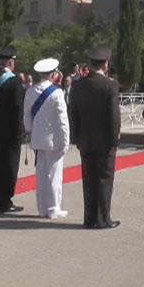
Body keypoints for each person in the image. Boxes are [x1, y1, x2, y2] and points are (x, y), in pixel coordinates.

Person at [70, 47, 121, 229]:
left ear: (90, 64)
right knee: (104, 180)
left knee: (89, 180)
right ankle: (102, 219)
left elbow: (73, 113)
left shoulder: (78, 85)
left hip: (85, 140)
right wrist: (114, 141)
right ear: (106, 64)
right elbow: (114, 117)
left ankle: (90, 218)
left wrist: (75, 137)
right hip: (104, 141)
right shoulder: (110, 85)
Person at [24, 58, 70, 219]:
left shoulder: (30, 91)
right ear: (53, 73)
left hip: (38, 140)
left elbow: (27, 117)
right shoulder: (57, 93)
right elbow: (63, 121)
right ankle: (53, 208)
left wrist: (30, 133)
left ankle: (42, 208)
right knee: (54, 175)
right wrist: (66, 141)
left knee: (42, 174)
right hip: (54, 141)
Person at [0, 46, 26, 213]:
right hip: (10, 132)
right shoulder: (14, 82)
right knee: (9, 166)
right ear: (11, 62)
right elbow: (17, 109)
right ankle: (5, 201)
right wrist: (19, 132)